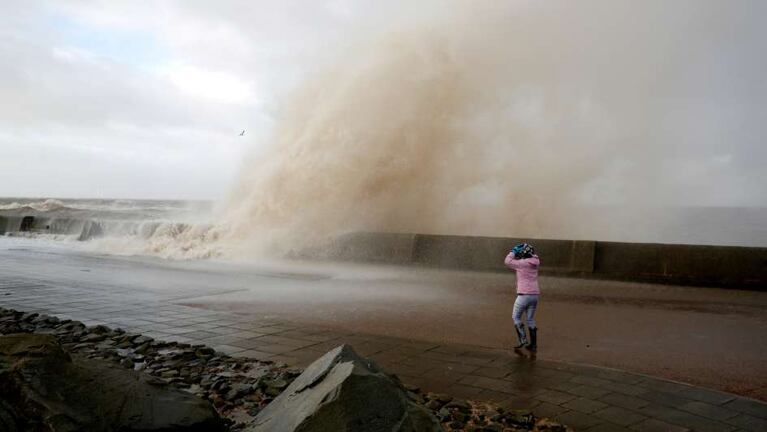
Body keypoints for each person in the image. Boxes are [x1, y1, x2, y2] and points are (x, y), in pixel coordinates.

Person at [504, 242, 540, 352]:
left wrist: (513, 251)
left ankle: (522, 340)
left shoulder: (522, 263)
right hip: (535, 295)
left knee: (516, 317)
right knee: (530, 319)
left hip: (524, 295)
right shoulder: (535, 262)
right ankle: (533, 345)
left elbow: (507, 261)